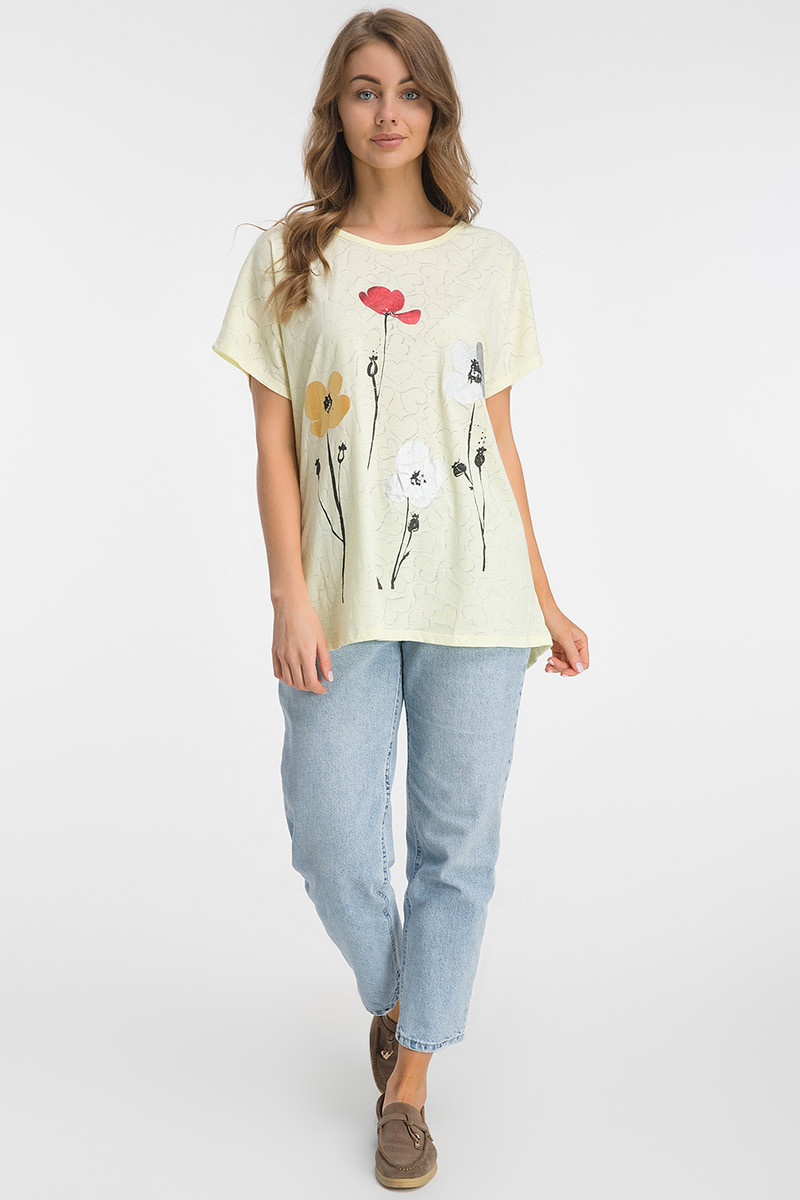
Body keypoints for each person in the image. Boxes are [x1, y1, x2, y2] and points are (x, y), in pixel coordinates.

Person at [211, 6, 589, 1189]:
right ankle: (403, 999)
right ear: (335, 108)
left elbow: (496, 442)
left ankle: (409, 1086)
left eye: (409, 90)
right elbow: (271, 447)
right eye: (365, 89)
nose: (388, 112)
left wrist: (544, 595)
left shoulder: (490, 263)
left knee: (452, 851)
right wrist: (289, 596)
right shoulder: (291, 255)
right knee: (328, 840)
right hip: (338, 598)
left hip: (477, 594)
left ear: (437, 109)